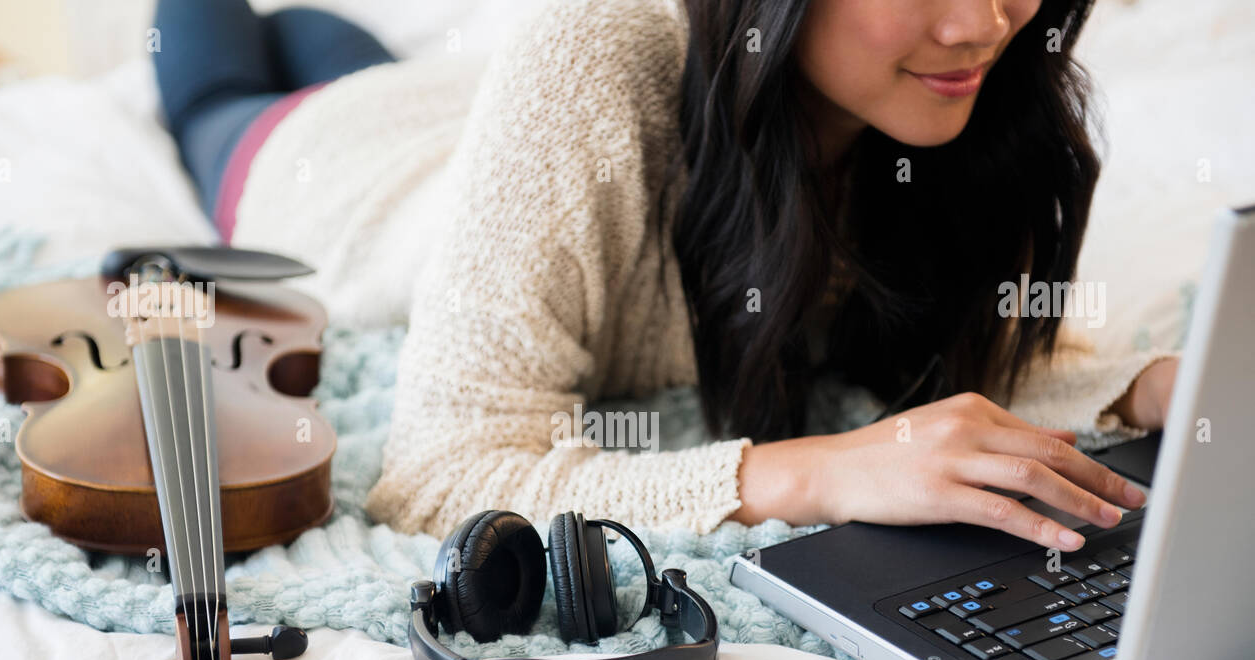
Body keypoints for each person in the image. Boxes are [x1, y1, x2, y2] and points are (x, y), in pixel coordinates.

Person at [153, 0, 1179, 550]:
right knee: (219, 73)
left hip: (452, 107)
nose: (983, 22)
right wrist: (820, 468)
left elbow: (945, 339)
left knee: (330, 38)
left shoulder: (943, 97)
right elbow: (439, 470)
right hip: (320, 164)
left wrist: (1137, 386)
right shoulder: (592, 47)